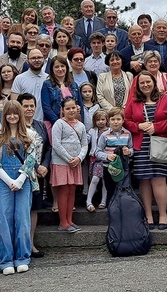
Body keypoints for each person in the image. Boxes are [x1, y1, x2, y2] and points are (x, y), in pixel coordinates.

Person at [0, 100, 38, 275]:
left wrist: (20, 179)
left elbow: (32, 158)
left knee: (22, 220)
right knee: (3, 220)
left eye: (15, 113)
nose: (12, 116)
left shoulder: (31, 135)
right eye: (8, 113)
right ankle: (6, 259)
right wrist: (8, 180)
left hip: (23, 180)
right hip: (3, 181)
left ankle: (22, 257)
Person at [124, 72, 167, 230]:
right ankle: (148, 214)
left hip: (160, 143)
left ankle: (162, 214)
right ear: (137, 86)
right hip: (142, 145)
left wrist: (157, 127)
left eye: (148, 82)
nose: (145, 85)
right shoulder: (133, 101)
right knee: (144, 180)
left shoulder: (165, 99)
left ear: (154, 82)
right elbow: (126, 121)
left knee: (159, 180)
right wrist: (138, 126)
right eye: (142, 83)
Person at [18, 93, 50, 259]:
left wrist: (44, 165)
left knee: (34, 209)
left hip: (40, 174)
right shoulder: (17, 127)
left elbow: (48, 148)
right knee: (23, 208)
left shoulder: (40, 125)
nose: (29, 109)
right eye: (26, 106)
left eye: (32, 106)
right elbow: (22, 151)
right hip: (24, 173)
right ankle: (20, 244)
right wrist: (36, 166)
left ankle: (31, 244)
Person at [50, 97, 88, 233]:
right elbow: (56, 144)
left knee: (72, 190)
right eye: (68, 108)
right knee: (64, 190)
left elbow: (85, 144)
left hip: (76, 162)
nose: (71, 110)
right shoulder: (59, 124)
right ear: (62, 110)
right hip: (62, 162)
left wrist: (79, 158)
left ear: (77, 108)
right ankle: (63, 222)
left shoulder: (81, 126)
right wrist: (68, 158)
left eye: (73, 107)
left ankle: (70, 220)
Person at [95, 107, 133, 200]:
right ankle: (111, 211)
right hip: (109, 168)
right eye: (113, 119)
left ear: (123, 120)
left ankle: (122, 211)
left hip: (123, 168)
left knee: (123, 191)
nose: (116, 122)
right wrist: (107, 156)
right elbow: (97, 151)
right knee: (111, 191)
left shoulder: (127, 134)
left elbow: (132, 149)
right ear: (109, 120)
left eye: (118, 119)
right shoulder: (104, 135)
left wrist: (129, 152)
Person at [41, 55, 83, 126]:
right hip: (54, 124)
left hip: (74, 124)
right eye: (56, 67)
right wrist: (60, 124)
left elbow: (80, 106)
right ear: (52, 69)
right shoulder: (47, 84)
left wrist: (81, 124)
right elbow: (46, 108)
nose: (60, 69)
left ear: (66, 67)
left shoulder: (74, 85)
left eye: (62, 66)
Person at [12, 48, 49, 121]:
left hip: (46, 122)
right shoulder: (19, 78)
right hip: (25, 122)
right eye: (33, 58)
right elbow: (14, 104)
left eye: (39, 57)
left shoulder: (49, 78)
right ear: (27, 60)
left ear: (43, 59)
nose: (37, 60)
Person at [85, 110, 109, 211]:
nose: (100, 122)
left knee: (105, 181)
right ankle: (88, 201)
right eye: (98, 120)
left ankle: (103, 201)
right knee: (95, 179)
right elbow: (86, 140)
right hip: (96, 159)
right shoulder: (92, 131)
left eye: (103, 119)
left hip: (107, 158)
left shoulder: (110, 131)